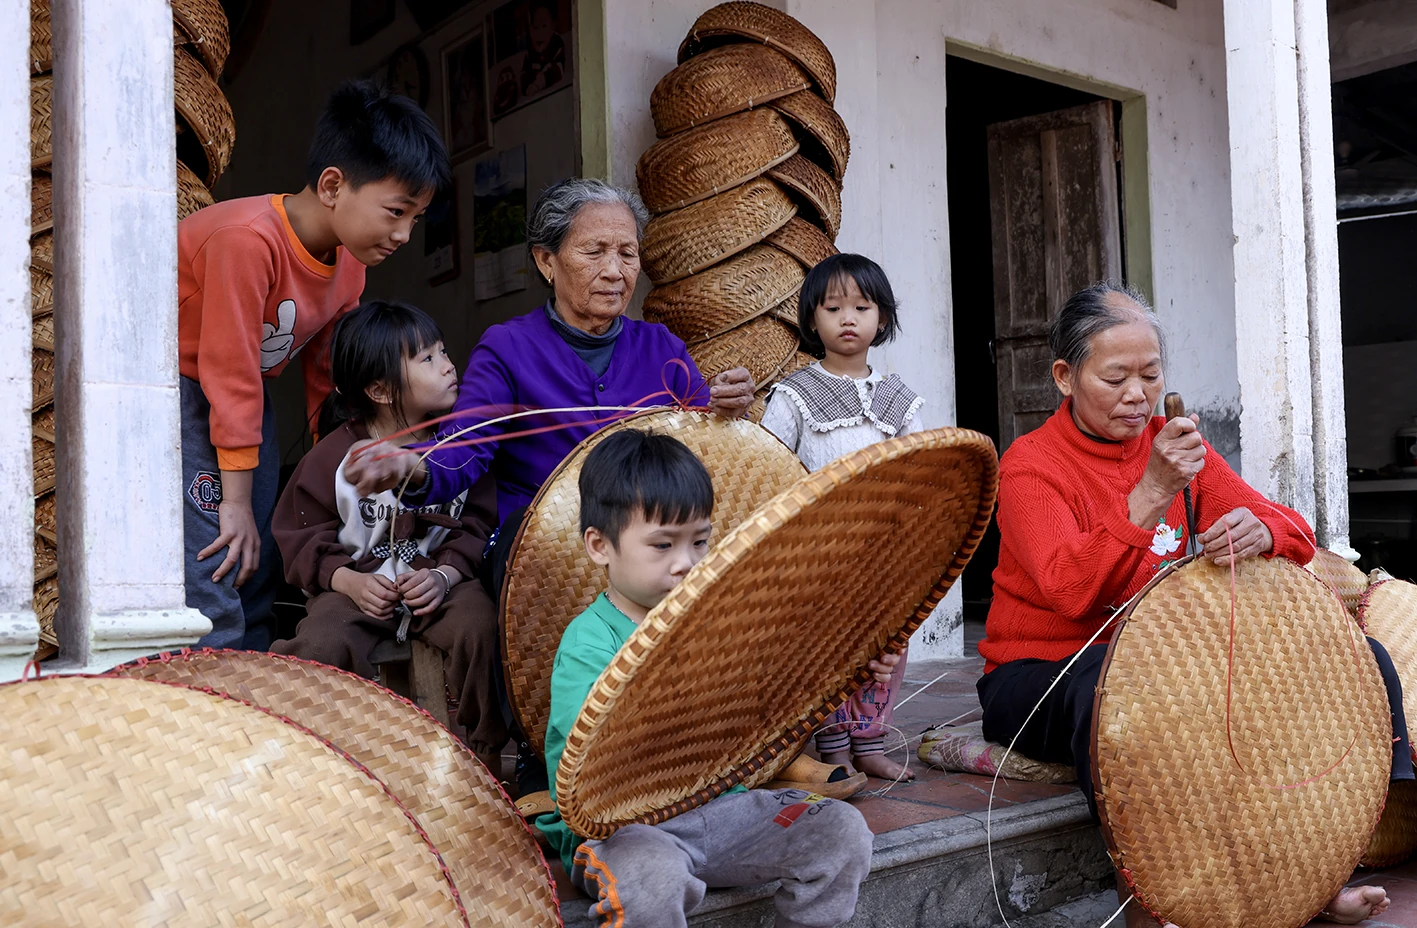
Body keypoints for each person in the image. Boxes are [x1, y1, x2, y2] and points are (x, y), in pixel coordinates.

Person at [976, 280, 1403, 927]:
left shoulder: (1173, 447)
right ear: (1064, 377)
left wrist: (1264, 531)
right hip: (1047, 673)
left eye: (1149, 375)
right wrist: (1150, 491)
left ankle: (1325, 866)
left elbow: (1287, 524)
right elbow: (1069, 592)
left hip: (1164, 662)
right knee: (1122, 696)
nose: (1136, 394)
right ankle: (1151, 901)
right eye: (1114, 377)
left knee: (1356, 656)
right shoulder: (1031, 465)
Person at [344, 177, 755, 793]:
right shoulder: (507, 349)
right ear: (546, 260)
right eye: (595, 252)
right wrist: (414, 467)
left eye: (628, 253)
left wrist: (729, 408)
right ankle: (547, 750)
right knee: (523, 557)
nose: (616, 271)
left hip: (645, 537)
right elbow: (467, 449)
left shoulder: (662, 347)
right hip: (538, 539)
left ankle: (707, 738)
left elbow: (702, 452)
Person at [536, 429, 874, 928]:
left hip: (722, 812)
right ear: (600, 546)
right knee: (652, 880)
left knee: (841, 831)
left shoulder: (720, 625)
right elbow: (593, 755)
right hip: (628, 831)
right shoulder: (589, 643)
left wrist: (843, 670)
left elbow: (766, 707)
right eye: (662, 545)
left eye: (699, 541)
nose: (687, 564)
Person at [177, 80, 449, 651]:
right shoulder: (246, 241)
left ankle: (256, 683)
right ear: (333, 186)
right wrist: (234, 503)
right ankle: (213, 698)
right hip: (182, 396)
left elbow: (328, 375)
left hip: (248, 404)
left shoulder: (350, 264)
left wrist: (345, 462)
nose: (403, 234)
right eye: (395, 212)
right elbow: (227, 374)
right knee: (224, 546)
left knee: (260, 553)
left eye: (416, 219)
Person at [269, 301, 505, 771]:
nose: (448, 364)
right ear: (379, 389)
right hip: (356, 590)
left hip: (438, 588)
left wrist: (444, 575)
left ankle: (486, 757)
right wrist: (346, 581)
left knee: (483, 627)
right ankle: (309, 756)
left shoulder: (458, 451)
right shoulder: (331, 459)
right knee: (319, 644)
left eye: (442, 352)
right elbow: (300, 537)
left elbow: (479, 525)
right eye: (427, 359)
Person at [761, 253, 922, 783]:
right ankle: (832, 743)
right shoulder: (793, 396)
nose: (848, 318)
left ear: (882, 318)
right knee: (827, 644)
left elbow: (920, 469)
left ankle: (870, 738)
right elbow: (771, 467)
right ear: (812, 319)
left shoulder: (900, 398)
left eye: (862, 306)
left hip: (883, 547)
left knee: (886, 642)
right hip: (819, 550)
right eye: (833, 307)